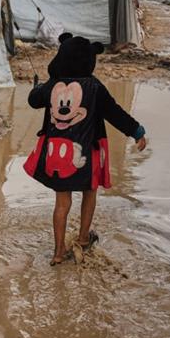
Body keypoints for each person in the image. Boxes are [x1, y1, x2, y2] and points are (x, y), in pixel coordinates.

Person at [24, 33, 147, 266]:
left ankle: (58, 252)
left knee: (62, 203)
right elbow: (114, 112)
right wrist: (136, 131)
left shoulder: (53, 85)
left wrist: (38, 87)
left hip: (57, 155)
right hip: (87, 155)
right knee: (90, 193)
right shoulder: (94, 86)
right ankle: (82, 239)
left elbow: (33, 100)